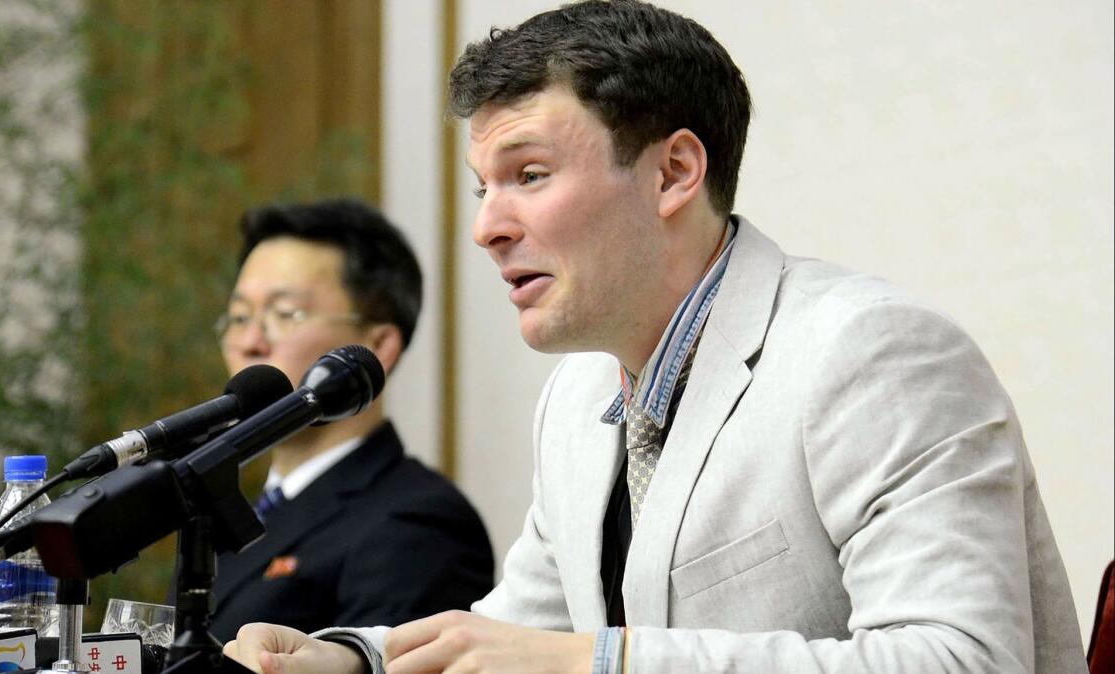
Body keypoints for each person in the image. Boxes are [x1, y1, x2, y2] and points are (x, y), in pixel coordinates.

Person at [224, 2, 1089, 672]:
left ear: (675, 172)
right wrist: (350, 657)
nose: (488, 226)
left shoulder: (871, 353)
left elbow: (964, 659)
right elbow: (510, 635)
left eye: (528, 175)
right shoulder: (579, 397)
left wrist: (602, 661)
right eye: (482, 187)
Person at [205, 199, 494, 641]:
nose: (249, 342)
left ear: (375, 346)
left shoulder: (417, 523)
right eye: (240, 316)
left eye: (285, 314)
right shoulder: (229, 515)